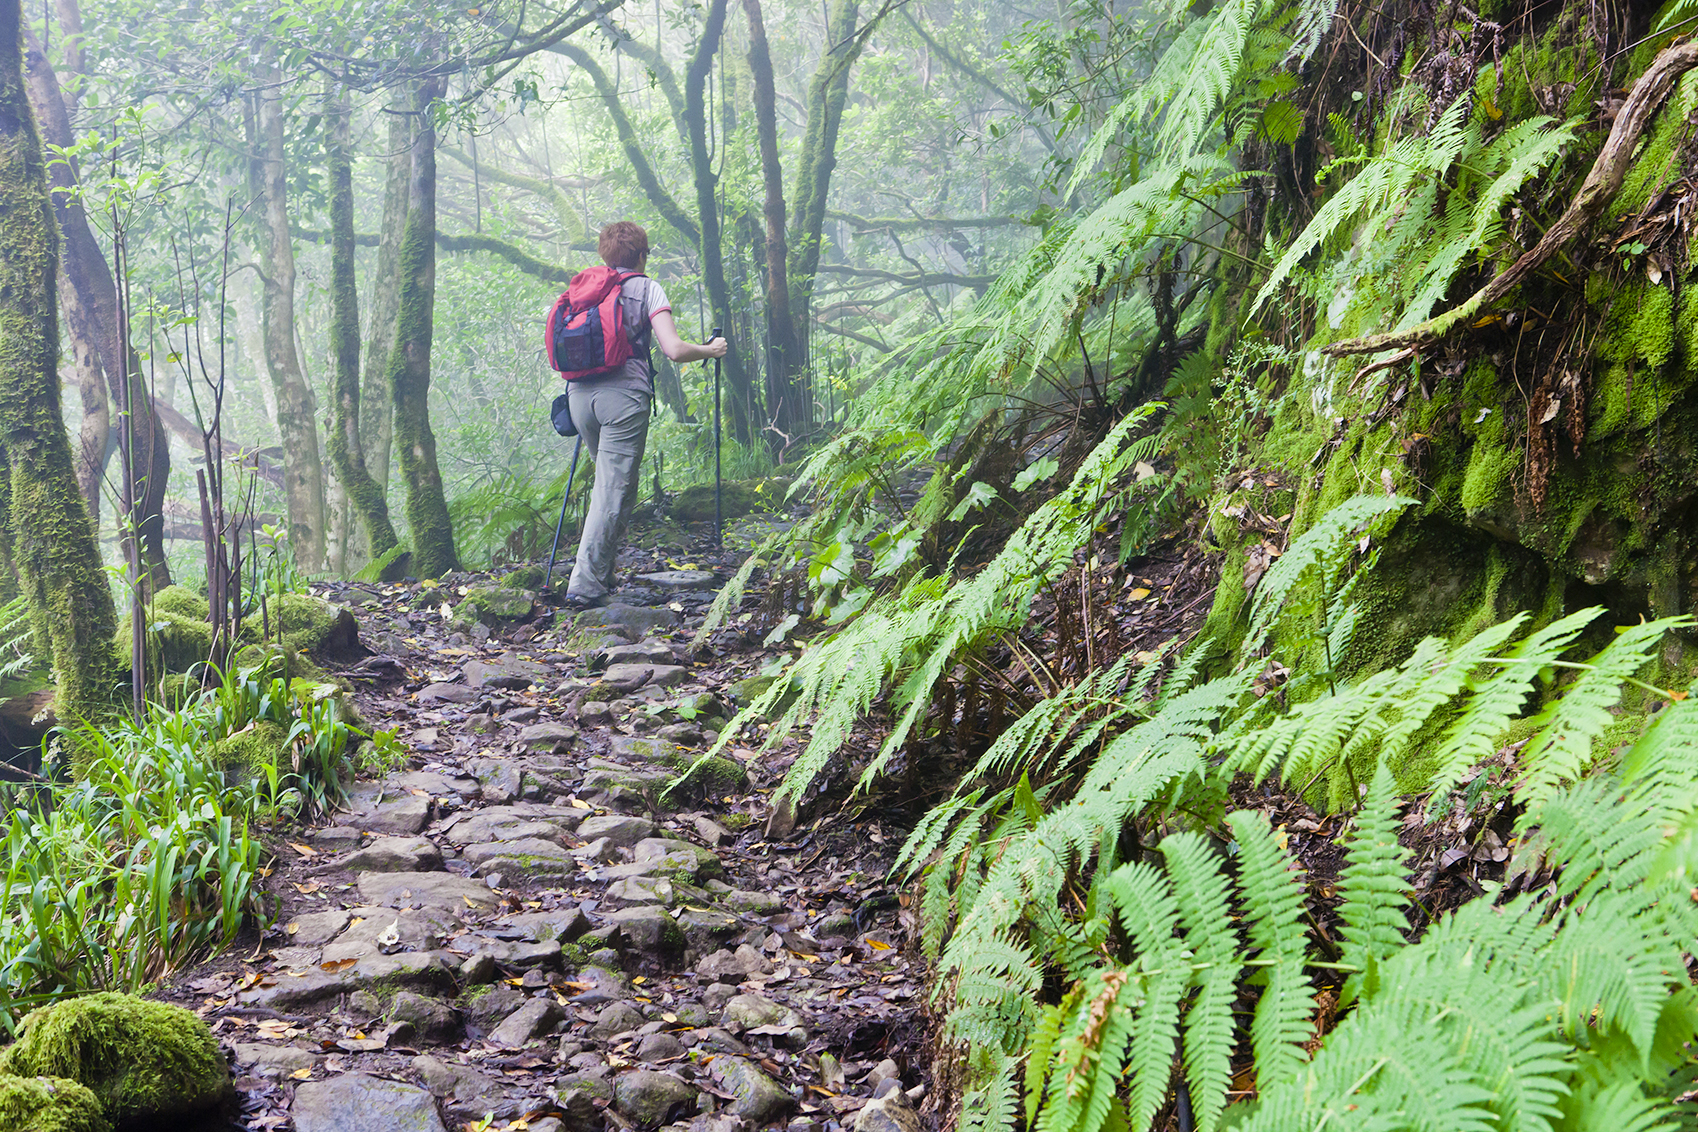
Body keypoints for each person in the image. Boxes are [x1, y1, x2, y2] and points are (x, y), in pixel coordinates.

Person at [562, 221, 729, 609]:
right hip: (622, 399)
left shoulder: (583, 289)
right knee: (611, 491)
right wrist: (710, 350)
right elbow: (672, 348)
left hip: (578, 398)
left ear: (605, 253)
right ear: (641, 254)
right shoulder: (647, 287)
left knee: (618, 488)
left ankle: (601, 574)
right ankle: (584, 586)